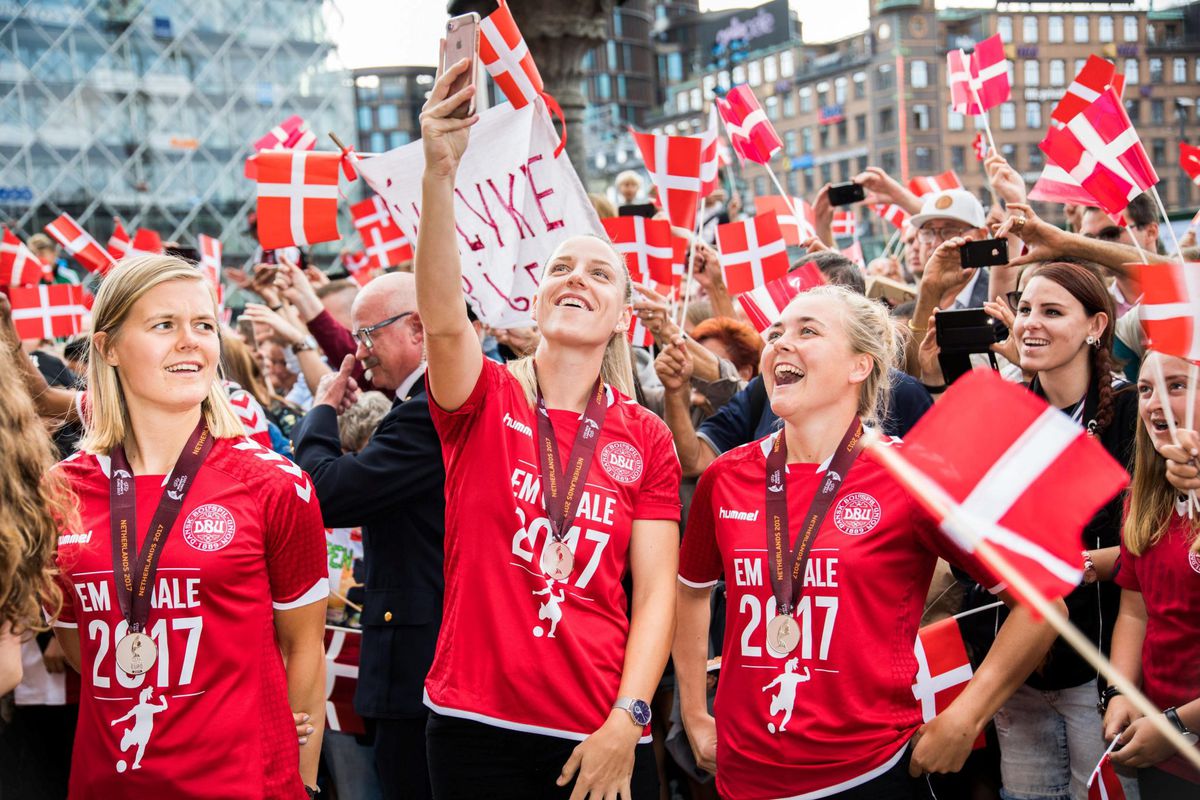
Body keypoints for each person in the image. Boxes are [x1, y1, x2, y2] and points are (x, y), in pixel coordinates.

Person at [673, 284, 1058, 800]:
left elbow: (1041, 600)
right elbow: (692, 590)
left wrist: (966, 717)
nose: (780, 343)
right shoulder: (725, 477)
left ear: (861, 365)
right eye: (775, 333)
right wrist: (696, 714)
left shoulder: (913, 475)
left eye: (807, 331)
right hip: (744, 776)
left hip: (868, 774)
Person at [414, 57, 681, 799]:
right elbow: (441, 319)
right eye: (561, 267)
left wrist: (629, 719)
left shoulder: (645, 436)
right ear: (534, 305)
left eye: (600, 275)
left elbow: (657, 592)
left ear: (622, 318)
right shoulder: (483, 397)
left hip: (596, 726)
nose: (576, 279)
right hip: (474, 727)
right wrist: (441, 173)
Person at [49, 255, 329, 799]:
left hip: (247, 786)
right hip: (106, 784)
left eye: (203, 325)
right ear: (107, 348)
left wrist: (305, 781)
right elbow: (77, 649)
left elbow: (304, 650)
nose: (190, 341)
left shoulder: (275, 483)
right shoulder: (59, 491)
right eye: (163, 325)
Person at [923, 260, 1139, 799]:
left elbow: (1150, 543)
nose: (1030, 324)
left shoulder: (1133, 409)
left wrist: (1078, 566)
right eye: (1023, 310)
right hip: (1016, 662)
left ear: (1096, 326)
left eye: (1052, 311)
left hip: (1101, 661)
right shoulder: (1003, 413)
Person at [292, 271, 447, 800]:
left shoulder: (429, 411)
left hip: (417, 668)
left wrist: (321, 411)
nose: (359, 354)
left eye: (368, 335)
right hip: (417, 660)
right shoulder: (424, 403)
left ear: (419, 329)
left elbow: (323, 492)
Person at [1103, 351, 1200, 798]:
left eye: (1176, 385)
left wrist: (1178, 724)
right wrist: (1122, 691)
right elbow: (1135, 610)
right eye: (1145, 389)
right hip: (1159, 743)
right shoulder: (1142, 498)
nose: (1155, 402)